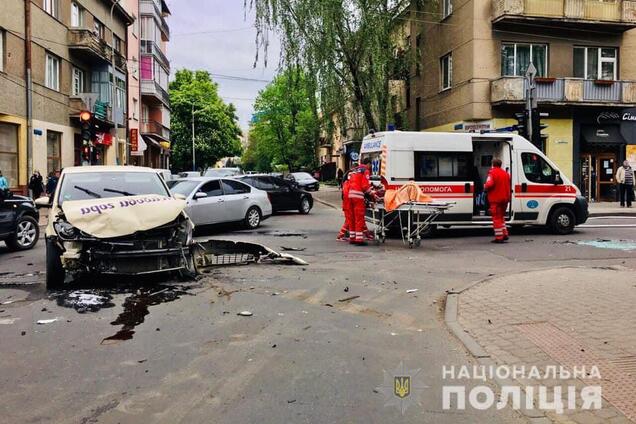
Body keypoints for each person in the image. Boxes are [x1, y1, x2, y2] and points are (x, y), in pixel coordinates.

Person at [484, 158, 511, 243]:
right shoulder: (505, 173)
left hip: (496, 199)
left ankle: (499, 237)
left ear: (493, 164)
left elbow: (489, 184)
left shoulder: (492, 173)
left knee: (496, 218)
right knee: (501, 217)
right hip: (505, 199)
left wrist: (485, 186)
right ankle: (505, 234)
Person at [348, 158, 373, 245]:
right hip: (358, 195)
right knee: (359, 217)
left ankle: (352, 237)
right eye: (370, 165)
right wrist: (372, 193)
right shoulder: (365, 170)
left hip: (350, 195)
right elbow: (365, 185)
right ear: (368, 164)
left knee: (352, 217)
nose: (370, 168)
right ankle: (359, 239)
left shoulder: (355, 170)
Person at [337, 172, 351, 241]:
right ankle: (340, 235)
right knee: (348, 220)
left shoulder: (346, 183)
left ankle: (345, 234)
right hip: (348, 205)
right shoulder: (348, 184)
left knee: (348, 220)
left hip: (346, 204)